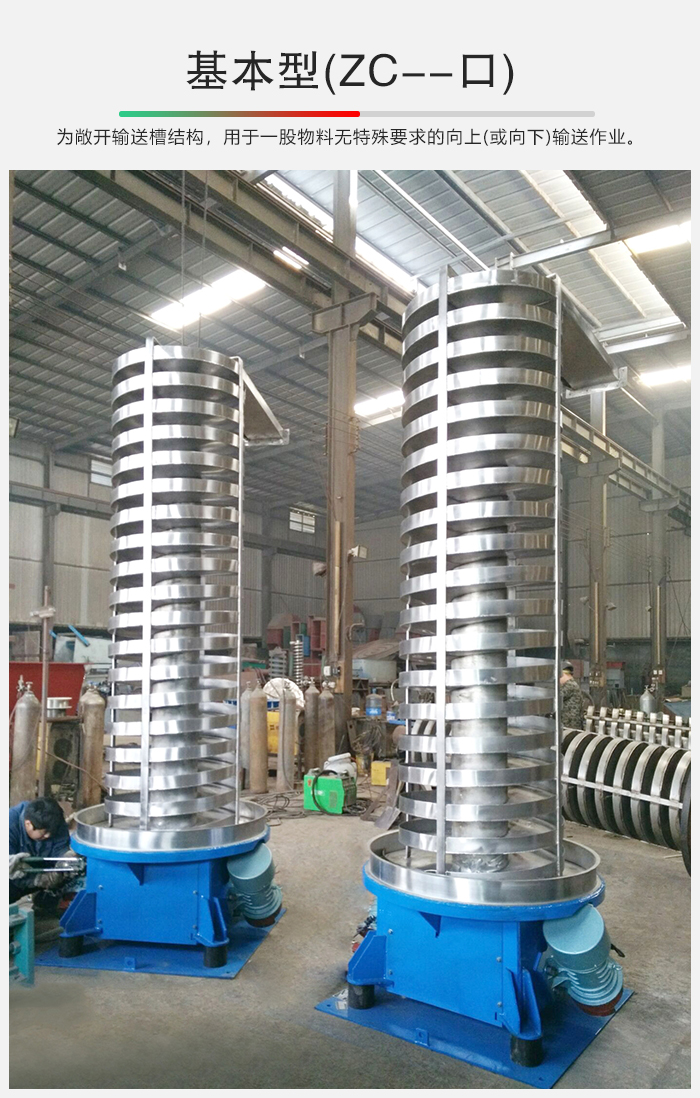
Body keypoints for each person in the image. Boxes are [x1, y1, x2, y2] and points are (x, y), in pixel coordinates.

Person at [9, 797, 71, 903]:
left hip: (47, 873)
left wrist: (67, 857)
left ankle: (45, 904)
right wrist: (38, 879)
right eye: (44, 833)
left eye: (51, 832)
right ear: (28, 824)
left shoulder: (54, 822)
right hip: (14, 879)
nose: (48, 835)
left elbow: (61, 848)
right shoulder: (8, 825)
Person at [560, 661, 586, 731]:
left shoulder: (570, 685)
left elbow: (556, 697)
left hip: (570, 726)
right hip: (569, 725)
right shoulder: (571, 684)